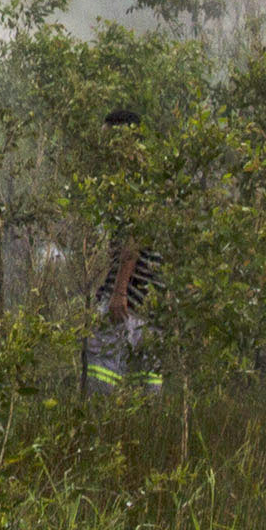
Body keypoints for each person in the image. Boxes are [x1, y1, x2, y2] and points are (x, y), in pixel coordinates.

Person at [84, 107, 168, 392]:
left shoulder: (134, 178)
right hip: (154, 302)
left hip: (130, 296)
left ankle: (98, 425)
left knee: (101, 368)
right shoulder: (155, 176)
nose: (103, 147)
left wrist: (118, 292)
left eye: (108, 139)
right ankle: (146, 431)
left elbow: (135, 236)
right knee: (145, 379)